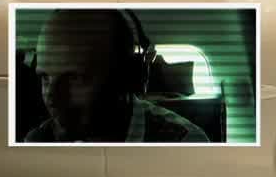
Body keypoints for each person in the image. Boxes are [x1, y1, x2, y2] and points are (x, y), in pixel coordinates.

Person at [23, 9, 209, 144]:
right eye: (45, 78)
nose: (52, 98)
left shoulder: (184, 144)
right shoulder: (37, 140)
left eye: (74, 79)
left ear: (125, 77)